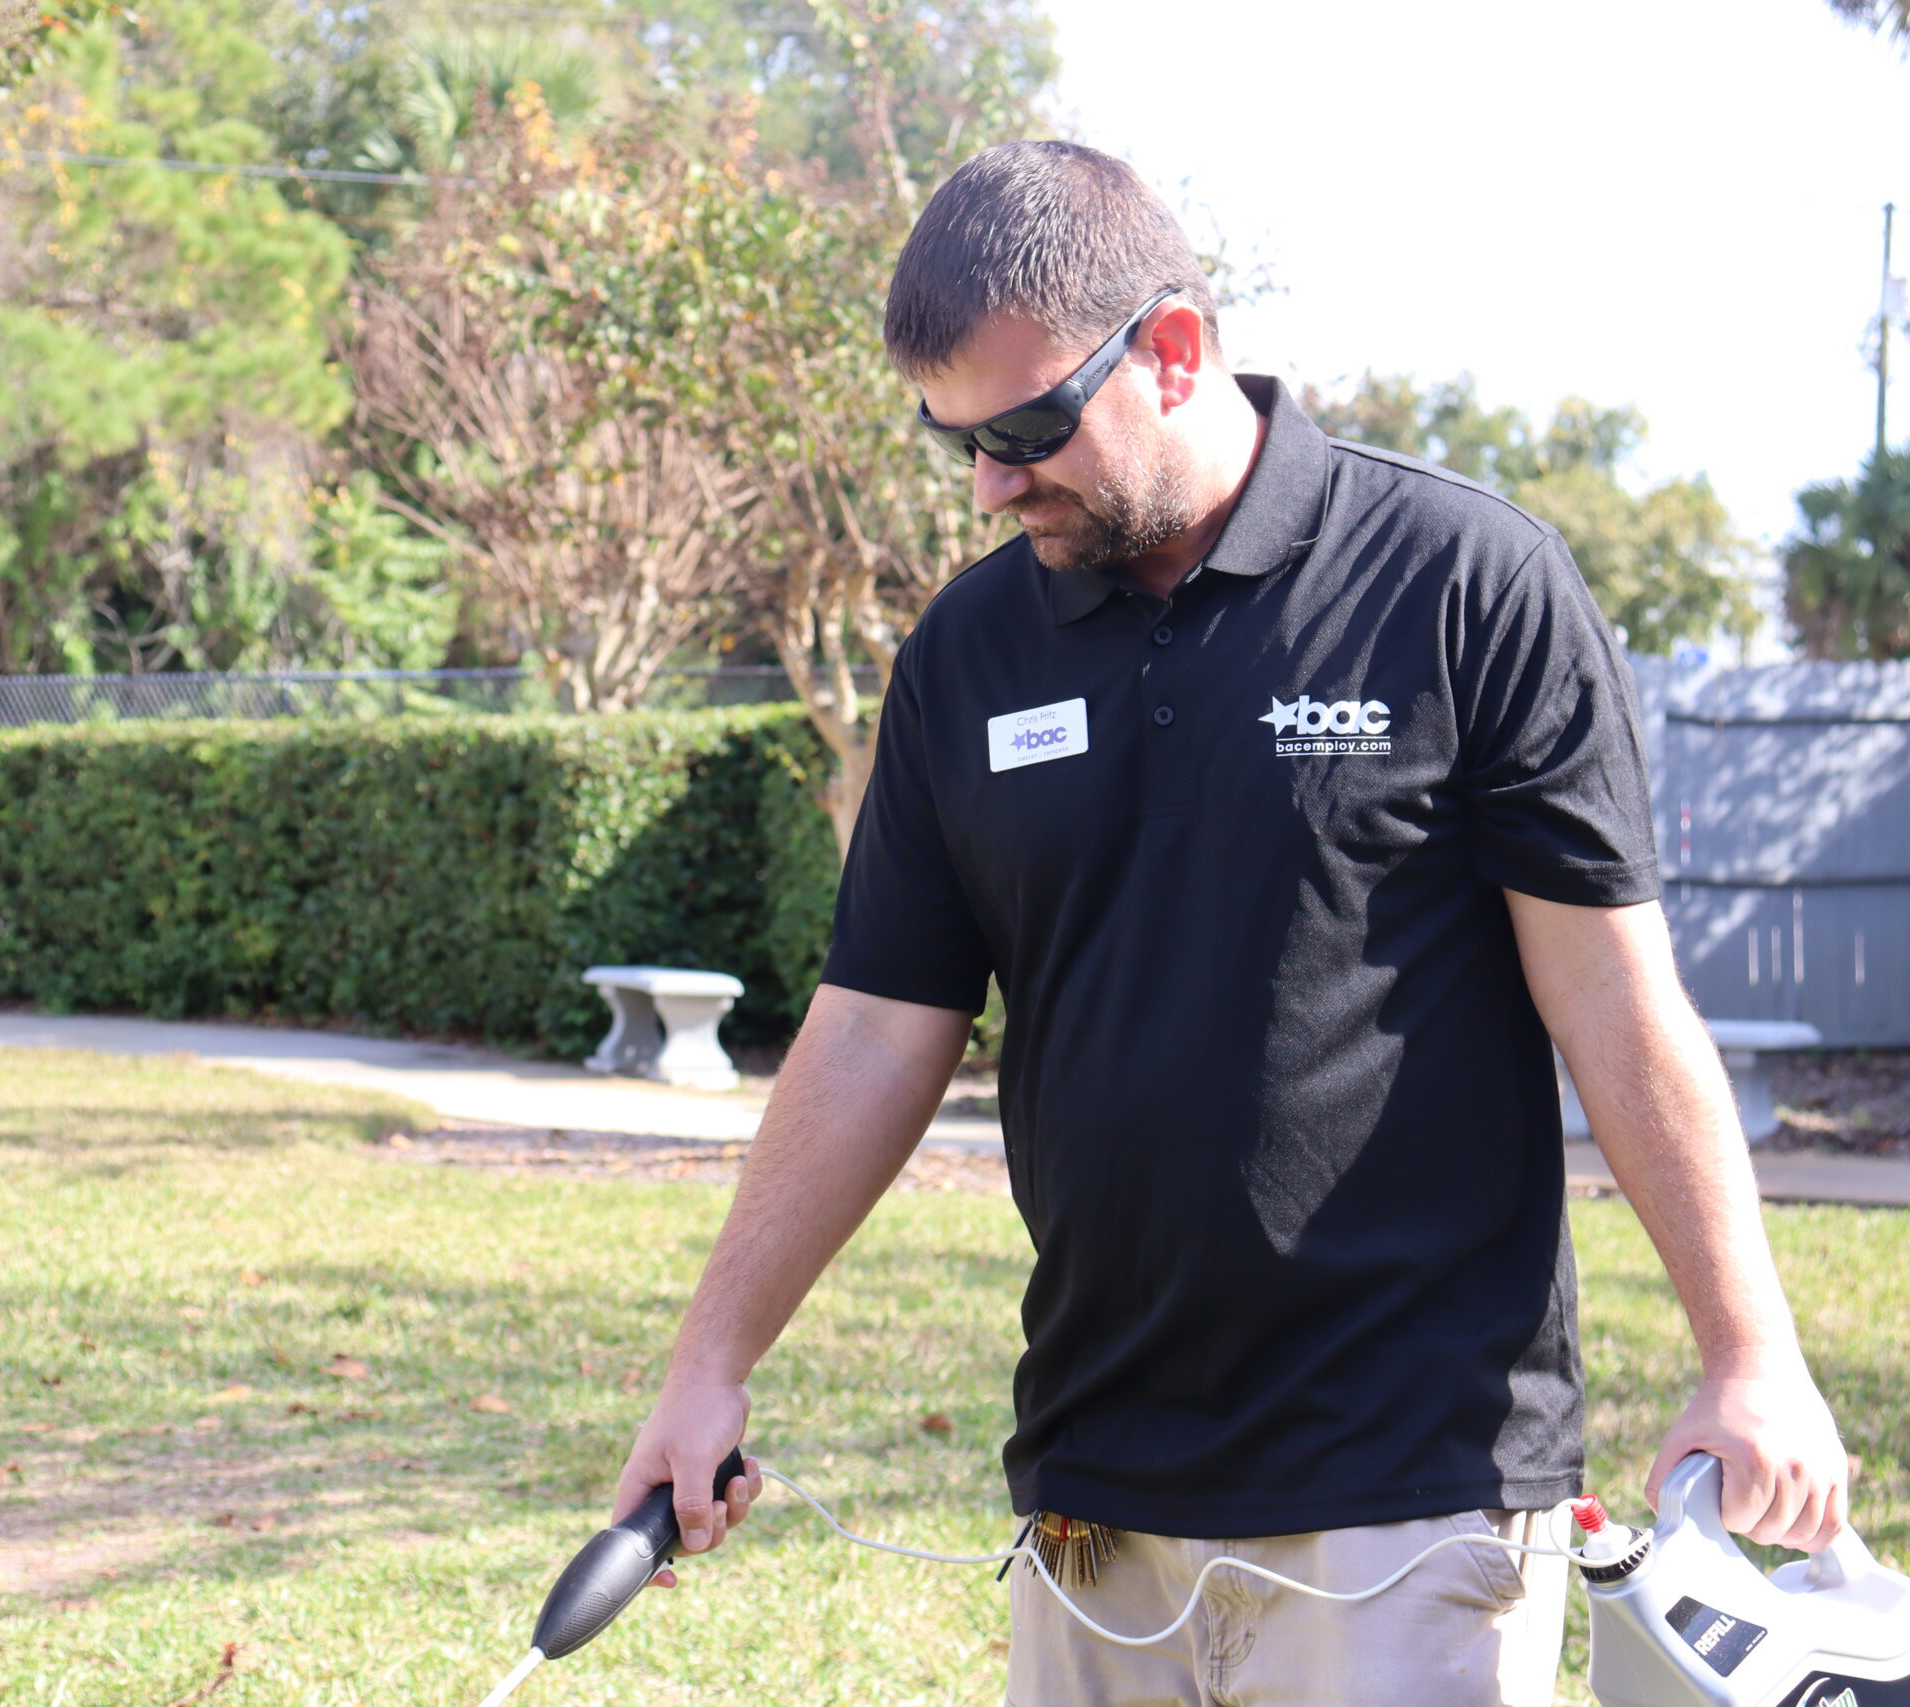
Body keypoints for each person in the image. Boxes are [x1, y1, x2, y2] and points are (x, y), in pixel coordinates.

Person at [609, 140, 1850, 1707]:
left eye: (1028, 429)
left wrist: (1751, 1353)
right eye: (956, 444)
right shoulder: (967, 656)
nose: (992, 483)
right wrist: (709, 1362)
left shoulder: (1464, 583)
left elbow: (1612, 999)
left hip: (1411, 1497)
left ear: (1176, 349)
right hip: (1095, 1494)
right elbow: (872, 1030)